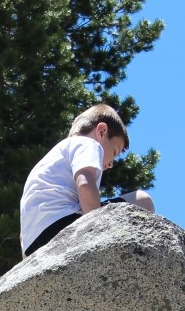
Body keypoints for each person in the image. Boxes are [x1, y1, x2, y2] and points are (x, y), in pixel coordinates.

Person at [19, 104, 155, 258]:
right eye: (115, 152)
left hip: (33, 246)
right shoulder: (88, 144)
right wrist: (94, 230)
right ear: (101, 131)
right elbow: (84, 181)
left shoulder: (49, 160)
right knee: (143, 200)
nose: (111, 164)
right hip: (65, 226)